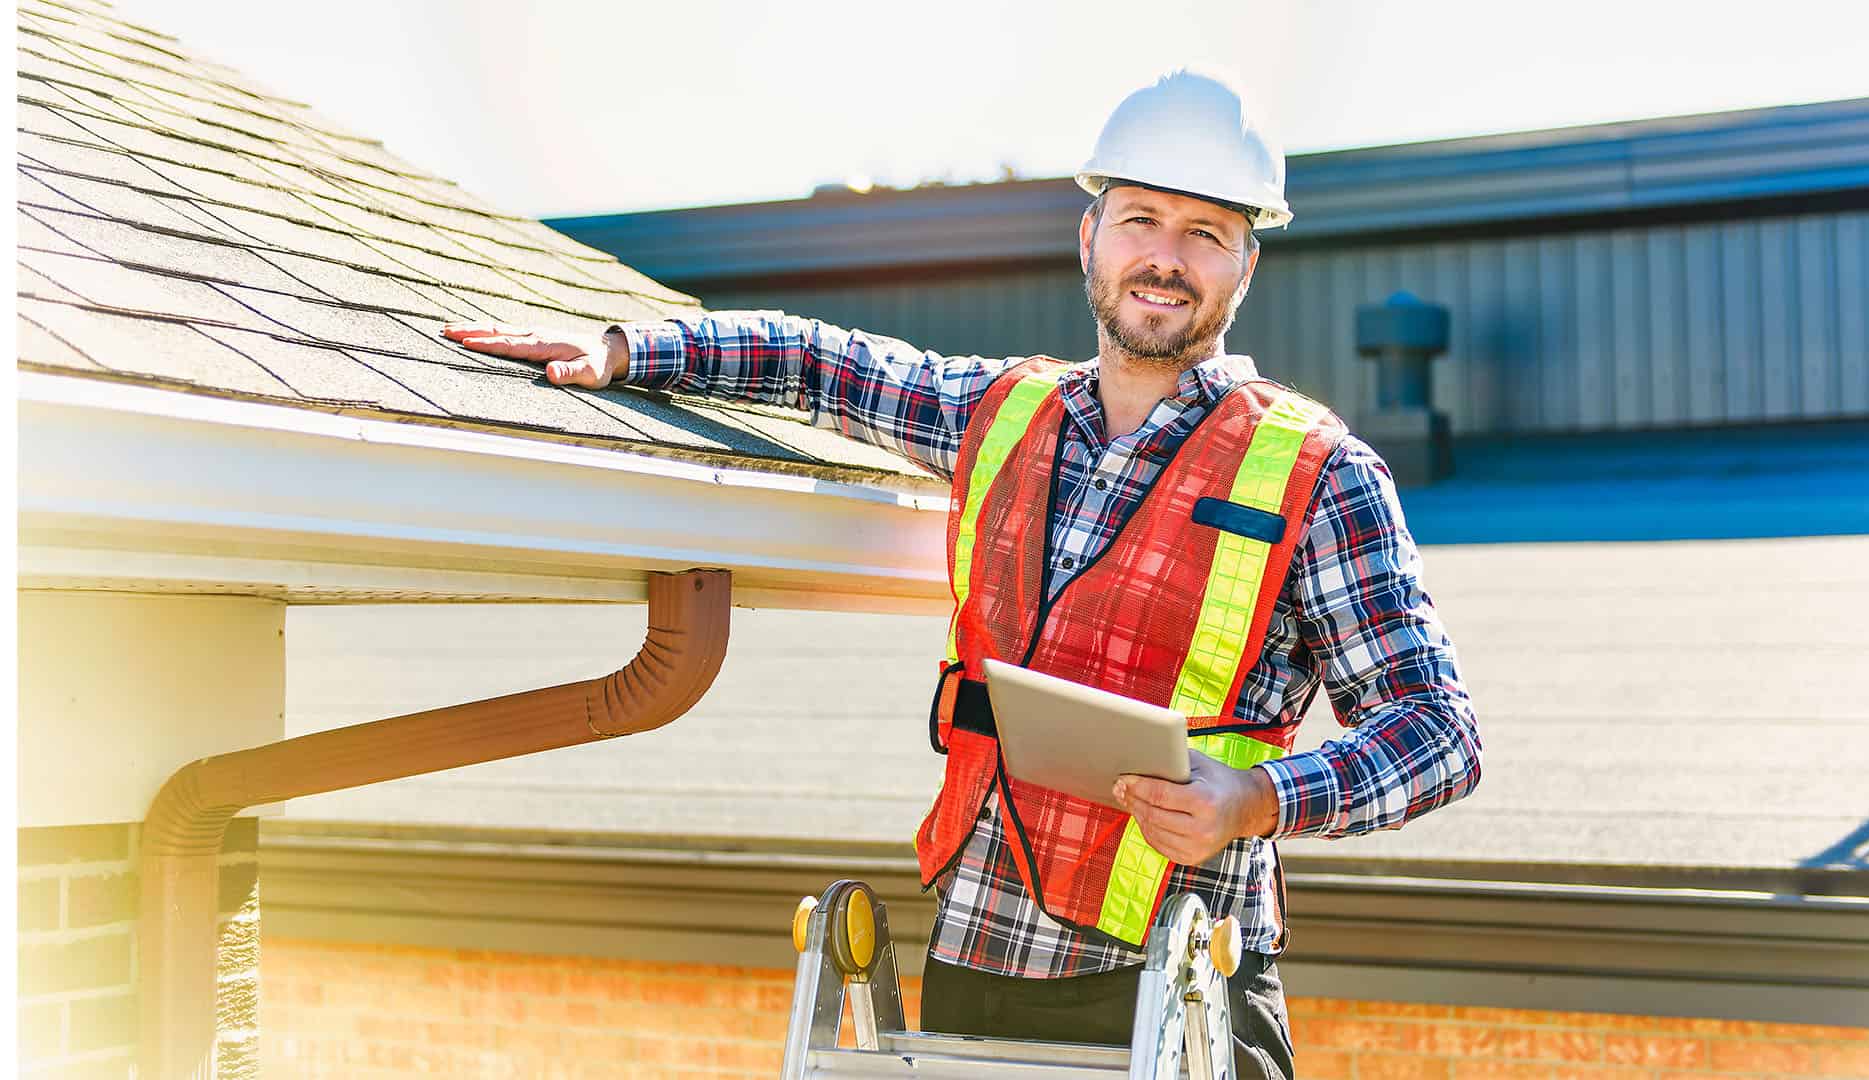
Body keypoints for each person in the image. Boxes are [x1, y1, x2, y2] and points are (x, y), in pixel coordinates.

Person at [445, 69, 1481, 1080]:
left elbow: (1440, 734)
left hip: (1179, 988)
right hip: (974, 957)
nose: (1164, 258)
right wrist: (630, 348)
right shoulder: (1003, 414)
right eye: (1140, 220)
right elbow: (819, 364)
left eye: (1204, 233)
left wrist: (1256, 797)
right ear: (1089, 236)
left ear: (1244, 265)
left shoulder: (1317, 474)